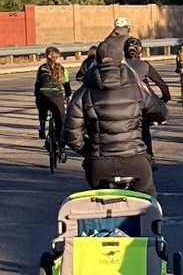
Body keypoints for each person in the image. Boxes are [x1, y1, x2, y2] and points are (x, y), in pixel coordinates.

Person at [63, 56, 168, 197]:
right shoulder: (137, 88)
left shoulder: (83, 93)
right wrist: (149, 119)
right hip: (134, 160)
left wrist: (92, 150)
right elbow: (162, 113)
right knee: (148, 199)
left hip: (100, 165)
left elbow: (71, 135)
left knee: (99, 202)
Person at [123, 37, 170, 165]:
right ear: (140, 51)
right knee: (144, 128)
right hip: (142, 104)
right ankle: (149, 156)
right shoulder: (145, 65)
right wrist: (165, 98)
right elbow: (161, 84)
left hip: (123, 105)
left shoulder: (120, 67)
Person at [34, 47, 72, 154]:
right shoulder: (62, 69)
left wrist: (37, 95)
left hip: (43, 96)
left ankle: (42, 125)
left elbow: (37, 85)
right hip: (56, 96)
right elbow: (67, 86)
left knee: (42, 111)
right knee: (60, 121)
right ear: (58, 57)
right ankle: (62, 149)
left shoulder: (41, 68)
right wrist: (67, 95)